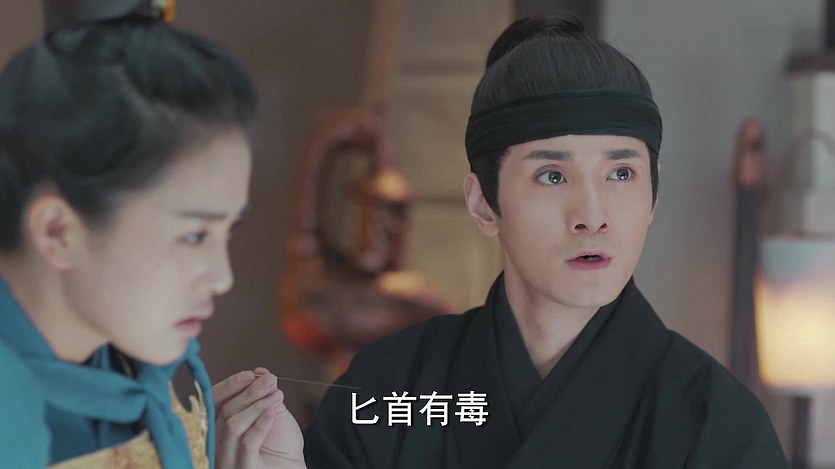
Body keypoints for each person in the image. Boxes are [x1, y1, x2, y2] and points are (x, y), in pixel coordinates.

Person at [304, 13, 789, 468]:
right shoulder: (392, 390)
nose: (591, 217)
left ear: (653, 196)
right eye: (552, 176)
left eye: (621, 173)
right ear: (483, 203)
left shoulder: (716, 424)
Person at [0, 1, 305, 467]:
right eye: (194, 236)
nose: (222, 278)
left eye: (226, 232)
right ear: (58, 231)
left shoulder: (149, 374)